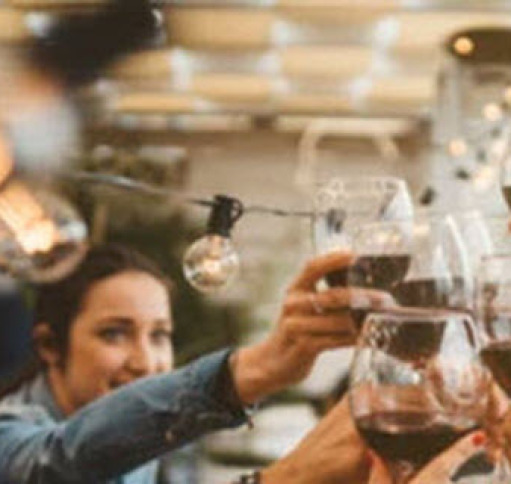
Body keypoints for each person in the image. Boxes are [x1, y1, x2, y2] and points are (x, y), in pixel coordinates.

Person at [0, 243, 391, 483]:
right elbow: (58, 464)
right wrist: (253, 369)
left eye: (159, 335)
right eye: (114, 334)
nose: (144, 362)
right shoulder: (11, 441)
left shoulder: (145, 444)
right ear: (50, 345)